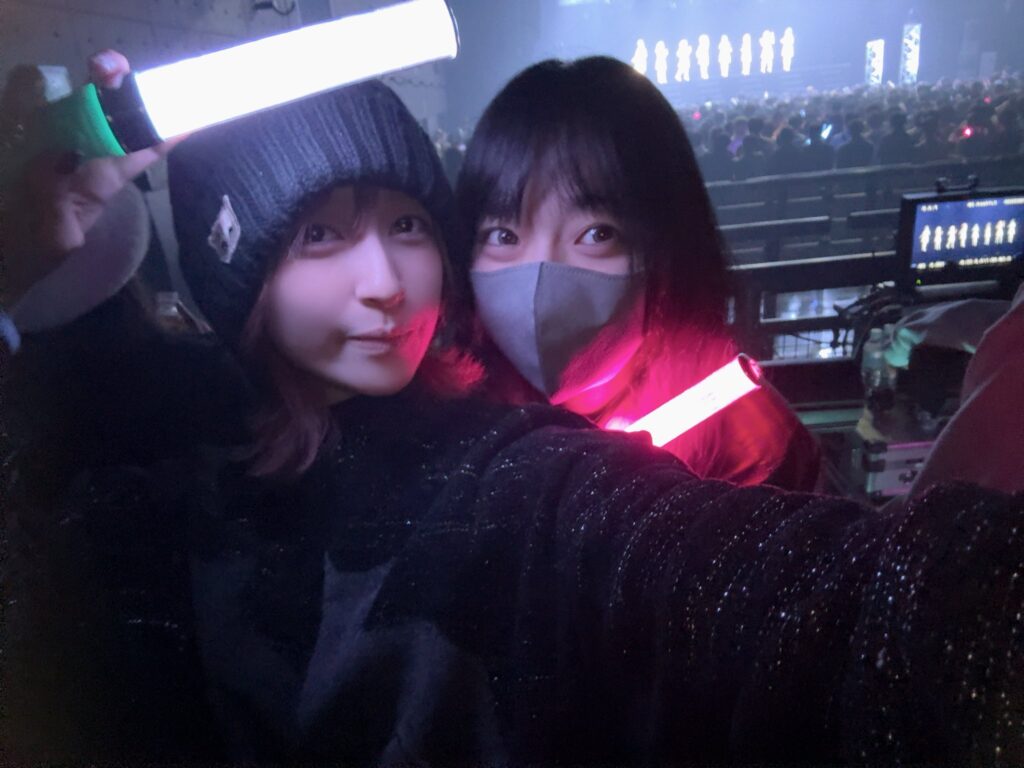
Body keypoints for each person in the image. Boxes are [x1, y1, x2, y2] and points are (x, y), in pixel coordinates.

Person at [6, 52, 1024, 768]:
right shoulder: (159, 464)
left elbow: (746, 580)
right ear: (238, 281)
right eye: (319, 235)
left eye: (408, 224)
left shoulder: (508, 475)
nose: (385, 282)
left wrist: (957, 609)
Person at [457, 57, 819, 489]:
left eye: (597, 234)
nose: (538, 284)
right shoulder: (454, 424)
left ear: (668, 239)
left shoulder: (749, 446)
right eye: (503, 236)